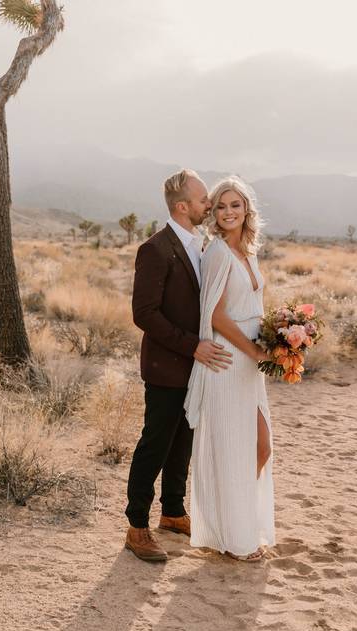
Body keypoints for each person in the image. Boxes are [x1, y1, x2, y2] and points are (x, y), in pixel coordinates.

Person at [124, 169, 233, 562]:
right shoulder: (156, 248)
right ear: (183, 206)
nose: (210, 205)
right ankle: (137, 526)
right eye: (204, 199)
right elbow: (145, 314)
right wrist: (193, 347)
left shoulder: (199, 245)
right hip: (168, 366)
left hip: (194, 368)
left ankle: (172, 512)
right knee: (155, 443)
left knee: (182, 443)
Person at [184, 176, 275, 562]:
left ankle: (232, 523)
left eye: (235, 205)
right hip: (229, 359)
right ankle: (236, 539)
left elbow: (254, 306)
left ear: (246, 209)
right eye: (220, 206)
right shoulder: (217, 252)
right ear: (214, 214)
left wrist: (279, 340)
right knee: (234, 449)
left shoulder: (249, 252)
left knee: (260, 448)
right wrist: (254, 351)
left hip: (251, 363)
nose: (228, 212)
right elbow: (217, 316)